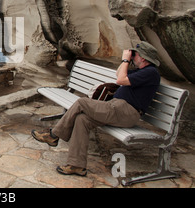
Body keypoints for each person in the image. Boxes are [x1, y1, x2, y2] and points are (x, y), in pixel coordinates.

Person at [31, 41, 161, 176]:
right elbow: (119, 74)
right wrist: (125, 61)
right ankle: (76, 165)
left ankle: (54, 135)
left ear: (143, 58)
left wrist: (125, 59)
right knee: (82, 120)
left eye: (136, 55)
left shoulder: (151, 72)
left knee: (82, 102)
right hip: (117, 109)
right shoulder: (142, 71)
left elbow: (120, 80)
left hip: (125, 111)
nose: (133, 57)